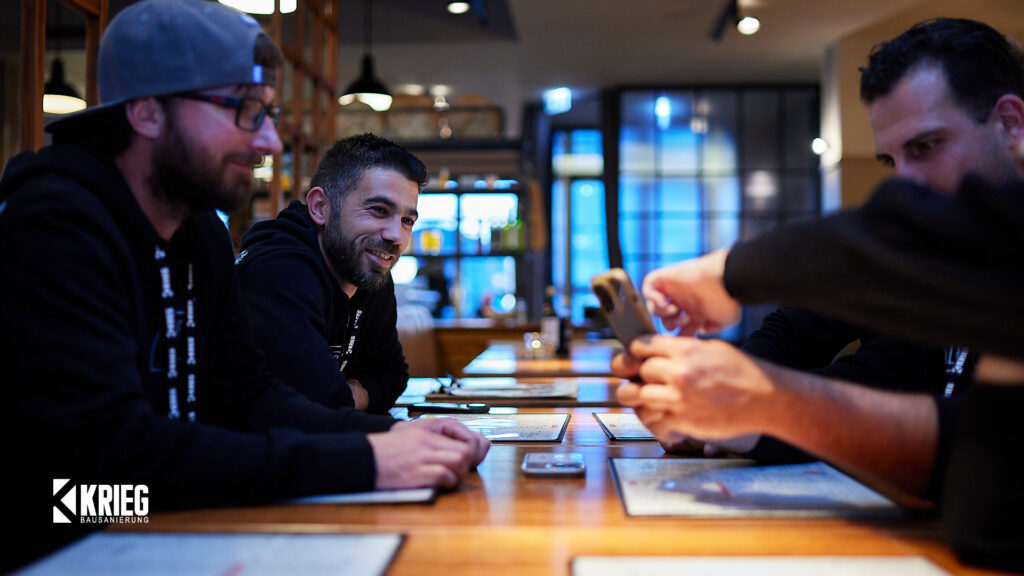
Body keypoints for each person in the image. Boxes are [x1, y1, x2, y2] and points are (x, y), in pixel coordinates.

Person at [0, 1, 487, 570]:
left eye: (269, 113)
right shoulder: (52, 225)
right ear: (149, 113)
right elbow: (104, 474)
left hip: (167, 522)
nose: (271, 143)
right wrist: (365, 462)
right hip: (61, 526)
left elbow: (246, 395)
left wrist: (389, 437)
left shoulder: (199, 228)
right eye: (245, 111)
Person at [614, 17, 1024, 499]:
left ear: (1011, 123)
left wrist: (730, 276)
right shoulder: (959, 267)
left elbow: (988, 473)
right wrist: (730, 409)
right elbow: (865, 371)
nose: (904, 185)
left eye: (926, 146)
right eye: (892, 161)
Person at [235, 134, 421, 414]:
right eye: (378, 210)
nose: (396, 236)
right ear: (320, 207)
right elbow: (318, 404)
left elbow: (393, 377)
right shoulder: (277, 274)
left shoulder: (369, 272)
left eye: (407, 220)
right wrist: (347, 393)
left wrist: (344, 395)